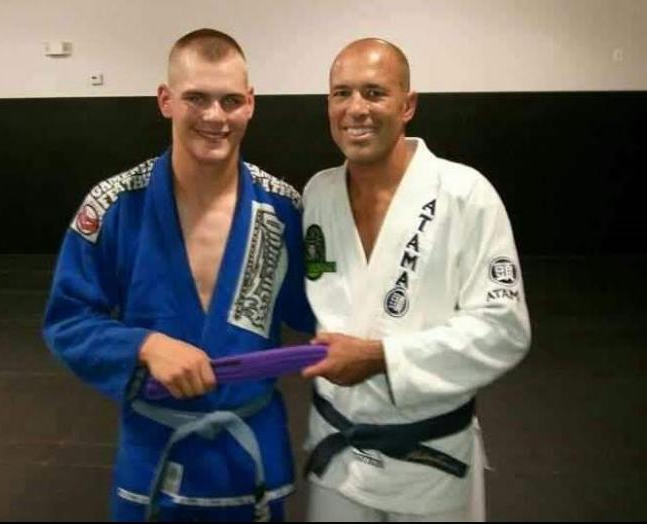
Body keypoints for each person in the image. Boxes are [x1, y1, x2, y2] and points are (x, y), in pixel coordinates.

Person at [43, 28, 313, 522]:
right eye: (196, 98)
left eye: (230, 100)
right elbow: (68, 320)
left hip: (250, 457)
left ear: (251, 104)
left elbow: (324, 306)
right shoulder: (114, 205)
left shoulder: (281, 208)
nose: (215, 116)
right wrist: (144, 345)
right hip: (153, 459)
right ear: (166, 100)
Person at [300, 38, 531, 522]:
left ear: (408, 105)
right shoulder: (318, 193)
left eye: (374, 92)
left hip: (429, 459)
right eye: (341, 94)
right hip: (337, 451)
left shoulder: (465, 194)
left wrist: (381, 357)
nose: (355, 109)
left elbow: (504, 328)